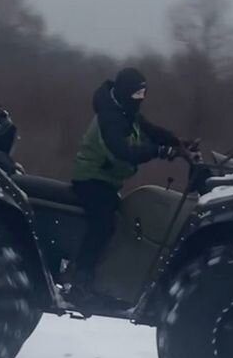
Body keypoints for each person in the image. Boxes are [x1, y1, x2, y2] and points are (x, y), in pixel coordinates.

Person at [70, 67, 183, 293]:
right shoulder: (110, 117)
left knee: (124, 222)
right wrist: (159, 151)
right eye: (136, 95)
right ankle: (80, 280)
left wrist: (179, 143)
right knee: (103, 224)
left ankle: (108, 278)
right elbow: (123, 151)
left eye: (143, 94)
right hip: (91, 178)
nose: (140, 100)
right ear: (124, 93)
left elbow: (151, 130)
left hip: (107, 181)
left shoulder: (125, 112)